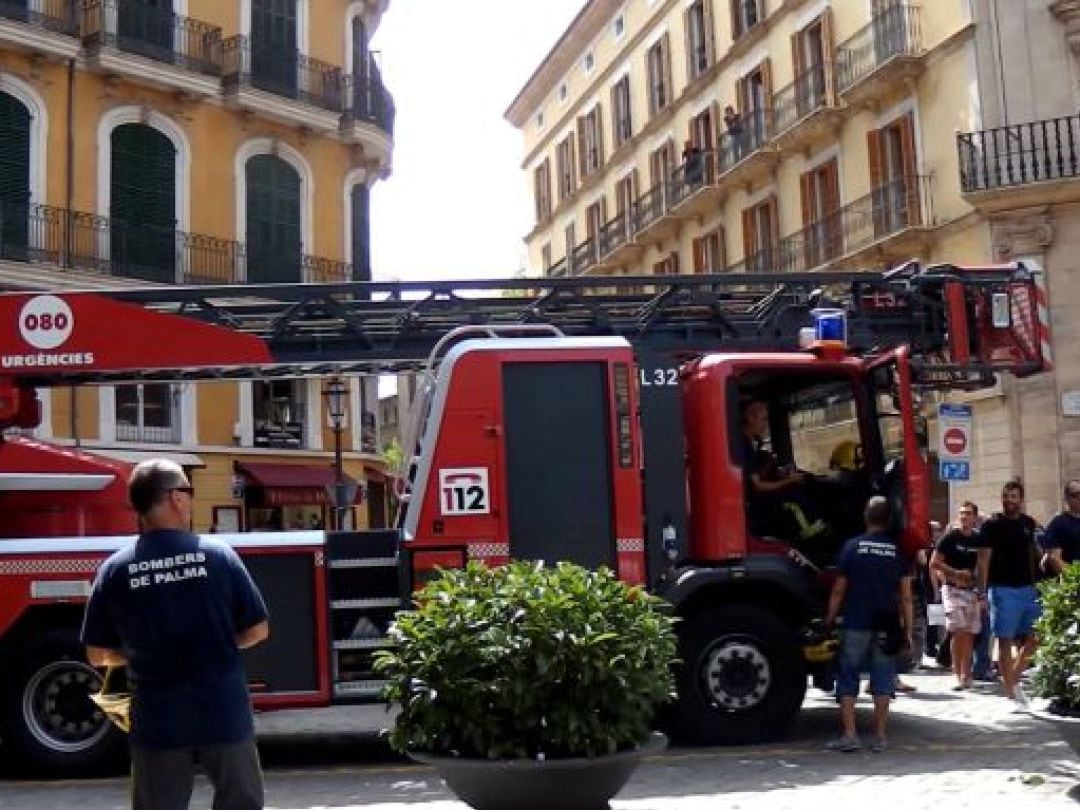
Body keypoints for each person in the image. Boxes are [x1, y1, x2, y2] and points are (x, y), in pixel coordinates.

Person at [81, 459, 270, 810]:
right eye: (188, 491)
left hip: (157, 720)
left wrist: (137, 656)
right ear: (175, 498)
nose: (190, 499)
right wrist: (220, 644)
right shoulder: (219, 556)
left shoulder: (114, 571)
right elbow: (258, 629)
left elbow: (97, 654)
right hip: (223, 712)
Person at [824, 496, 914, 752]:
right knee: (883, 678)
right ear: (888, 520)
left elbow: (839, 590)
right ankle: (880, 737)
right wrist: (907, 631)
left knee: (848, 675)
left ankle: (850, 735)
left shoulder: (852, 547)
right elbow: (906, 597)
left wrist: (829, 620)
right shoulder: (897, 551)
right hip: (886, 625)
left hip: (856, 621)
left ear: (866, 516)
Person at [976, 478, 1041, 708]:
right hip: (1002, 589)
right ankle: (1012, 694)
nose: (1009, 500)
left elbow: (1033, 554)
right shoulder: (991, 524)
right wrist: (982, 593)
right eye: (1006, 496)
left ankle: (1012, 679)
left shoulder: (1029, 523)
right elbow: (983, 560)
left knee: (1036, 637)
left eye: (1013, 496)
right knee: (1005, 640)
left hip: (1028, 589)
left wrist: (1038, 584)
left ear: (1021, 500)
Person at [930, 501, 982, 690]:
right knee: (957, 630)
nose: (964, 516)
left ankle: (966, 674)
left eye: (968, 513)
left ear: (975, 517)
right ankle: (957, 673)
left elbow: (983, 565)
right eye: (961, 513)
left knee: (968, 634)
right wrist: (955, 573)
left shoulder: (979, 538)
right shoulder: (950, 537)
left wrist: (980, 588)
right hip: (952, 589)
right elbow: (934, 563)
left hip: (971, 591)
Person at [1042, 479, 1080, 575]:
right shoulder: (1058, 523)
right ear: (1067, 498)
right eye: (1074, 495)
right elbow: (1054, 558)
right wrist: (1075, 575)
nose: (1079, 498)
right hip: (1070, 583)